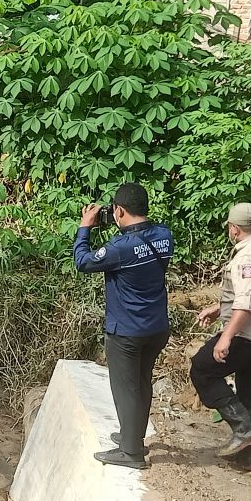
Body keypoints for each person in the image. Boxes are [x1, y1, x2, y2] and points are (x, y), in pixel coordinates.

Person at [74, 183, 175, 469]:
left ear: (118, 211)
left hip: (126, 330)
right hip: (156, 327)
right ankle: (133, 437)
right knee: (142, 383)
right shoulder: (165, 236)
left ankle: (131, 453)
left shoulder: (120, 248)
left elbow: (82, 262)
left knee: (126, 389)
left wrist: (85, 228)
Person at [189, 203, 251, 459]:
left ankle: (244, 429)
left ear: (234, 229)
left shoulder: (248, 256)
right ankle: (244, 458)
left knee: (202, 368)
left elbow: (248, 303)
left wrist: (226, 336)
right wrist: (220, 307)